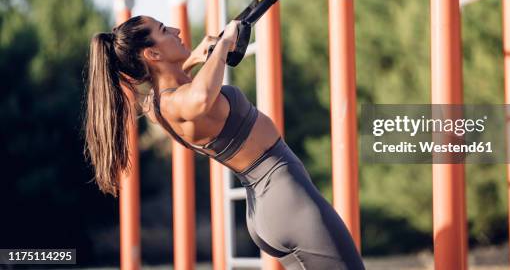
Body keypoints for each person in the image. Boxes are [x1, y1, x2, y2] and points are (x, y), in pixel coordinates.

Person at [82, 15, 365, 269]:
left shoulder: (157, 106)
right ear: (153, 52)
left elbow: (178, 91)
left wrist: (192, 59)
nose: (177, 29)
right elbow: (199, 99)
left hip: (268, 207)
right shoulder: (179, 101)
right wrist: (224, 42)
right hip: (288, 197)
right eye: (164, 30)